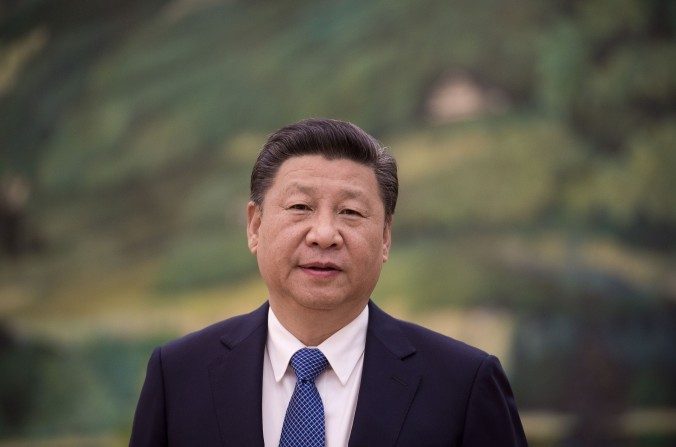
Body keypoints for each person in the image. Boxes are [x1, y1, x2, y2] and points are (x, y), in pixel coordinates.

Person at [129, 118, 527, 446]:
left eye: (350, 212)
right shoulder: (180, 375)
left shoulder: (463, 385)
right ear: (255, 225)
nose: (324, 234)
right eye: (300, 207)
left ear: (385, 237)